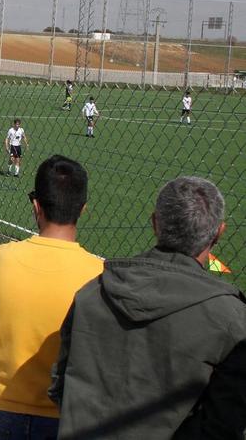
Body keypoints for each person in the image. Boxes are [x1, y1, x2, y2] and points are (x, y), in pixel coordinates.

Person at [50, 176, 246, 439]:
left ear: (155, 223)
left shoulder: (92, 292)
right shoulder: (232, 320)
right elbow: (225, 423)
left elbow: (60, 385)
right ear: (219, 232)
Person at [0, 155, 102, 440]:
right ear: (83, 209)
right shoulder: (98, 273)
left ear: (36, 206)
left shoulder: (2, 258)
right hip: (65, 413)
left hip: (4, 406)